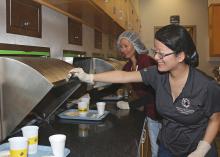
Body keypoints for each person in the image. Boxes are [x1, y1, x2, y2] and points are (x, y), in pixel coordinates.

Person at [70, 24, 220, 157]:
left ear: (180, 56)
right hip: (167, 148)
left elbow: (215, 118)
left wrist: (203, 148)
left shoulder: (206, 86)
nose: (156, 57)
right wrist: (89, 76)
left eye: (161, 54)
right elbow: (124, 76)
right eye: (155, 51)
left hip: (197, 150)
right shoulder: (157, 75)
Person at [116, 31, 161, 157]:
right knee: (155, 151)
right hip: (148, 113)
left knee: (163, 150)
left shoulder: (147, 61)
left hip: (159, 113)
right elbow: (122, 82)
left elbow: (155, 93)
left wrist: (131, 105)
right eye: (121, 46)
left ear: (135, 45)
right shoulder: (127, 66)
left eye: (126, 46)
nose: (123, 49)